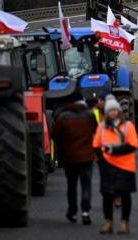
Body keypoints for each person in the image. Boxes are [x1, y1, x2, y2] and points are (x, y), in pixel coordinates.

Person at [93, 96, 138, 234]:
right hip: (108, 166)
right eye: (110, 111)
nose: (113, 113)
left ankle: (125, 222)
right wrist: (102, 159)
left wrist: (113, 150)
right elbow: (96, 145)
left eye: (115, 110)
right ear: (106, 113)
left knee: (125, 195)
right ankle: (108, 222)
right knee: (107, 196)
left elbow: (133, 145)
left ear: (119, 111)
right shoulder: (102, 127)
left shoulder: (128, 126)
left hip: (125, 166)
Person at [52, 92, 97, 225]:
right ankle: (85, 211)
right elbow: (96, 131)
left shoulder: (63, 117)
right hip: (87, 156)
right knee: (86, 184)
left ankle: (72, 211)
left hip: (70, 157)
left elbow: (56, 136)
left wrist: (63, 148)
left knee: (71, 186)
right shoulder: (90, 116)